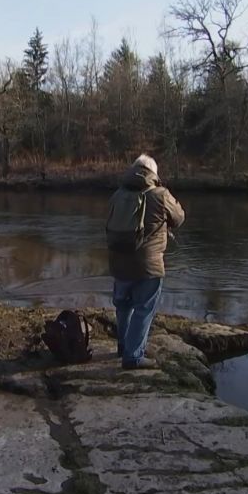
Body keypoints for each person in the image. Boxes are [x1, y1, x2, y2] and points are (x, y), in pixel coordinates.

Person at [106, 154, 184, 370]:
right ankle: (133, 357)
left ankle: (123, 347)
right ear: (153, 173)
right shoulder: (160, 194)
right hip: (148, 266)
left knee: (123, 306)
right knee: (143, 309)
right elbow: (179, 218)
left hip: (118, 262)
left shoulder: (117, 195)